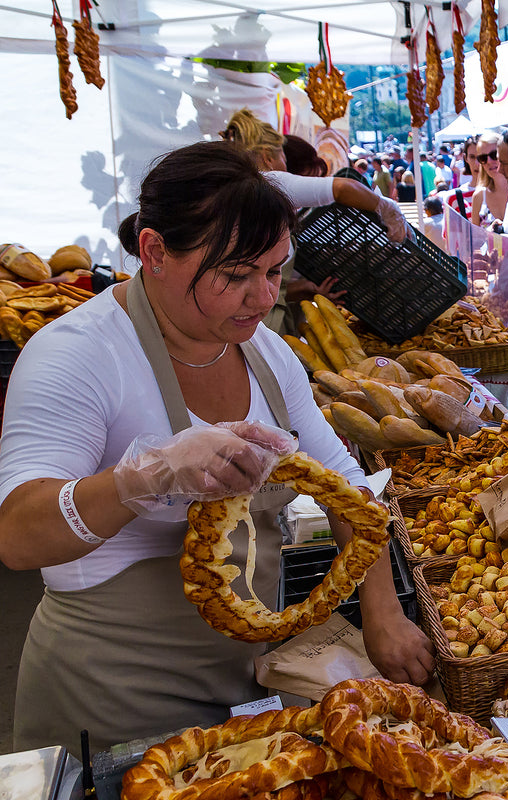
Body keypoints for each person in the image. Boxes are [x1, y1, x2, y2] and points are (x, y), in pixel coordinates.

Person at [0, 142, 433, 755]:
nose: (263, 298)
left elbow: (349, 489)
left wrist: (384, 610)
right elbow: (18, 534)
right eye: (235, 275)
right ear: (154, 252)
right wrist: (143, 477)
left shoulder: (267, 353)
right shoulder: (76, 355)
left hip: (245, 680)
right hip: (111, 699)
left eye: (275, 270)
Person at [219, 111, 409, 335]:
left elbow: (253, 278)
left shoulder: (231, 190)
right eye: (283, 159)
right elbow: (342, 188)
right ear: (267, 157)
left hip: (246, 318)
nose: (284, 165)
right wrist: (387, 209)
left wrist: (306, 289)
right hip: (264, 325)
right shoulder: (269, 182)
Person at [470, 131, 508, 227]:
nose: (489, 161)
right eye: (483, 158)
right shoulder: (479, 196)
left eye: (494, 155)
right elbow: (476, 239)